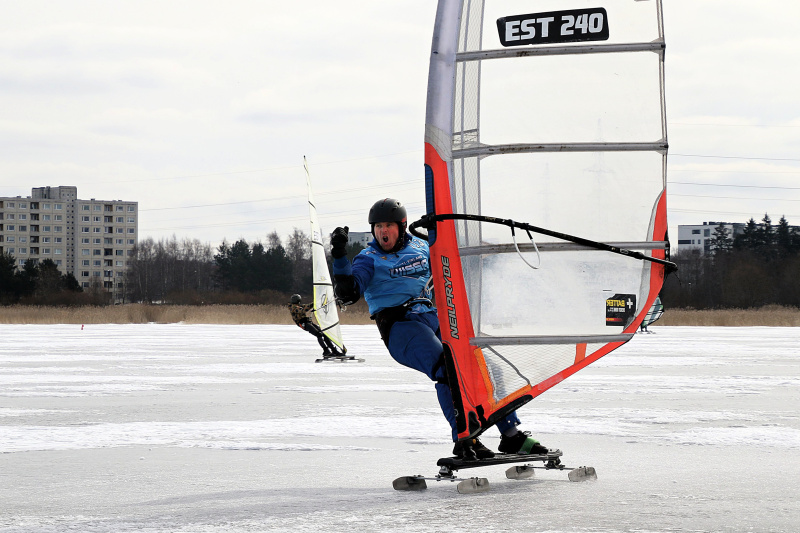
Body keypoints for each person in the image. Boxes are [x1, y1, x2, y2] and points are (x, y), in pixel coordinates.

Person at [330, 198, 548, 460]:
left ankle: (511, 435)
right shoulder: (370, 258)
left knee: (486, 364)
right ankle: (465, 438)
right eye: (377, 226)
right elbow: (348, 293)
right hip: (400, 327)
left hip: (432, 317)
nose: (382, 232)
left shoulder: (422, 246)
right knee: (447, 368)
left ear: (401, 226)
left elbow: (454, 265)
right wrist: (340, 256)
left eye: (388, 225)